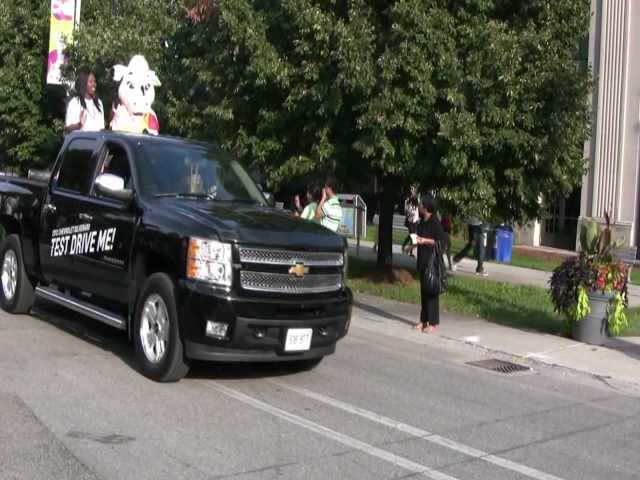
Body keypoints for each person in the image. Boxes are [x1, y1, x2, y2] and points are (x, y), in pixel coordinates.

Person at [411, 195, 446, 333]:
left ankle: (433, 324)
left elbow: (441, 241)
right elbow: (419, 238)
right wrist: (411, 246)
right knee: (423, 292)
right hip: (422, 260)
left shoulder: (435, 222)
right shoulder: (422, 222)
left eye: (420, 204)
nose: (419, 206)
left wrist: (424, 240)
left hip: (432, 262)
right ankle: (423, 320)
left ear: (426, 207)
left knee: (431, 293)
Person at [401, 189, 420, 257]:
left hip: (415, 221)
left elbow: (417, 211)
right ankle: (409, 251)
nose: (414, 195)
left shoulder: (417, 202)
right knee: (413, 236)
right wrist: (409, 213)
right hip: (410, 221)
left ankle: (405, 247)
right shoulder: (408, 201)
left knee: (411, 236)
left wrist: (417, 219)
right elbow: (406, 211)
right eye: (413, 193)